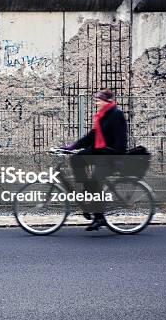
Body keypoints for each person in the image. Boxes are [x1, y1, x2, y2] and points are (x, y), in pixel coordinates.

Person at [63, 89, 128, 231]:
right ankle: (87, 193)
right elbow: (92, 136)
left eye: (98, 100)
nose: (96, 102)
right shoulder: (102, 115)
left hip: (111, 155)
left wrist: (118, 157)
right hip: (99, 151)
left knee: (96, 179)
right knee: (77, 159)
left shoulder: (116, 114)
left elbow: (121, 139)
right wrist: (72, 146)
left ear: (106, 101)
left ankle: (99, 217)